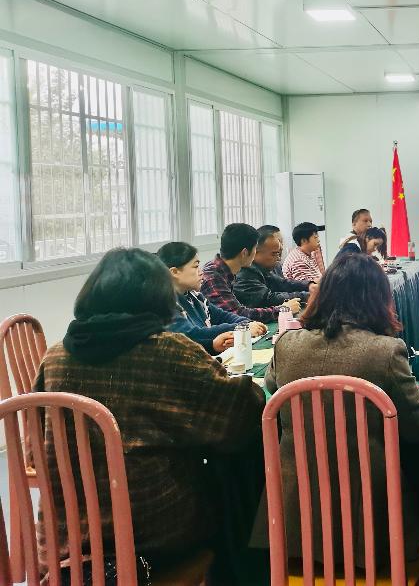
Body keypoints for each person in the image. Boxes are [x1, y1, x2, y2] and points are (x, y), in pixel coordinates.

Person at [34, 248, 265, 583]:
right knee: (235, 469)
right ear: (157, 297)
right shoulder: (168, 351)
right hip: (153, 532)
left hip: (68, 536)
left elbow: (35, 450)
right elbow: (241, 415)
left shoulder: (55, 357)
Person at [265, 253, 419, 568]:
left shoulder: (286, 344)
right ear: (379, 299)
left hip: (297, 516)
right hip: (369, 517)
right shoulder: (385, 351)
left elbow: (273, 386)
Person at [157, 241, 267, 355]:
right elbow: (192, 334)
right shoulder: (165, 304)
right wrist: (241, 328)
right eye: (195, 267)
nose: (201, 272)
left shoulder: (195, 297)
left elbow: (222, 316)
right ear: (174, 272)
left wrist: (247, 323)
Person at [201, 222, 301, 323]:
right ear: (244, 253)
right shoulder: (213, 277)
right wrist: (283, 309)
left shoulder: (223, 270)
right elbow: (237, 314)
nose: (255, 253)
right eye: (255, 249)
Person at [235, 225, 315, 308]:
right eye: (274, 254)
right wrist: (307, 296)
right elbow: (268, 299)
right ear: (255, 252)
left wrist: (309, 285)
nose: (278, 258)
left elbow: (282, 284)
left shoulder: (263, 268)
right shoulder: (244, 272)